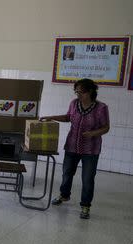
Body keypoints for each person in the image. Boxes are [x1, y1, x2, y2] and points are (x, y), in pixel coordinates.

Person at [41, 78, 110, 219]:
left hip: (91, 149)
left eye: (81, 92)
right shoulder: (74, 104)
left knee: (88, 178)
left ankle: (85, 206)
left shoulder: (101, 108)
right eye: (76, 92)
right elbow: (68, 117)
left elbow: (106, 127)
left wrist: (92, 133)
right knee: (67, 172)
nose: (78, 95)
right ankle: (64, 195)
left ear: (90, 91)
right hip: (72, 145)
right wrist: (51, 117)